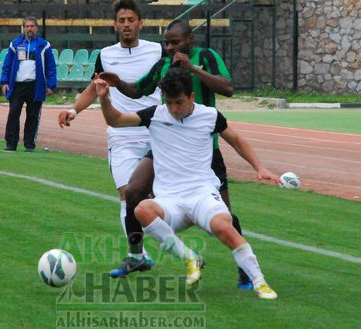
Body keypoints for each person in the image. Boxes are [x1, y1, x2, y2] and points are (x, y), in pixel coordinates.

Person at [93, 66, 280, 299]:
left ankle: (259, 281)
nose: (173, 108)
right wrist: (104, 97)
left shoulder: (210, 115)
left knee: (224, 226)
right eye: (169, 102)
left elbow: (236, 140)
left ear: (191, 97)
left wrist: (260, 167)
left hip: (202, 194)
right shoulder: (156, 115)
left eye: (179, 102)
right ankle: (191, 258)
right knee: (142, 209)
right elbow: (116, 119)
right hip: (170, 200)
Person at [99, 19, 255, 289]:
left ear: (190, 40)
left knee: (225, 215)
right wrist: (117, 82)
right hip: (165, 146)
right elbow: (139, 89)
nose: (169, 48)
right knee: (134, 193)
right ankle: (136, 256)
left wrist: (193, 68)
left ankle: (245, 270)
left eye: (175, 42)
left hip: (203, 152)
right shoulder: (162, 65)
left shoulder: (206, 56)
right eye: (166, 43)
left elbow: (227, 88)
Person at [58, 0, 162, 277]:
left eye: (131, 19)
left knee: (158, 199)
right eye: (122, 20)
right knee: (128, 195)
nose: (126, 24)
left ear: (141, 23)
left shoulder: (157, 51)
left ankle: (180, 250)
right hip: (122, 135)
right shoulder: (105, 54)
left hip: (157, 134)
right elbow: (96, 87)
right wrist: (73, 109)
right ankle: (138, 255)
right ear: (115, 25)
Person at [0, 16, 57, 152]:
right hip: (17, 86)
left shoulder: (44, 45)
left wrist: (51, 84)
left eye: (32, 26)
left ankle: (29, 144)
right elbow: (7, 65)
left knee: (32, 116)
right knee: (13, 113)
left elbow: (51, 66)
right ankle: (11, 143)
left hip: (35, 86)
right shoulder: (15, 44)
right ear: (23, 28)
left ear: (36, 28)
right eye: (27, 26)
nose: (29, 29)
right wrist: (4, 82)